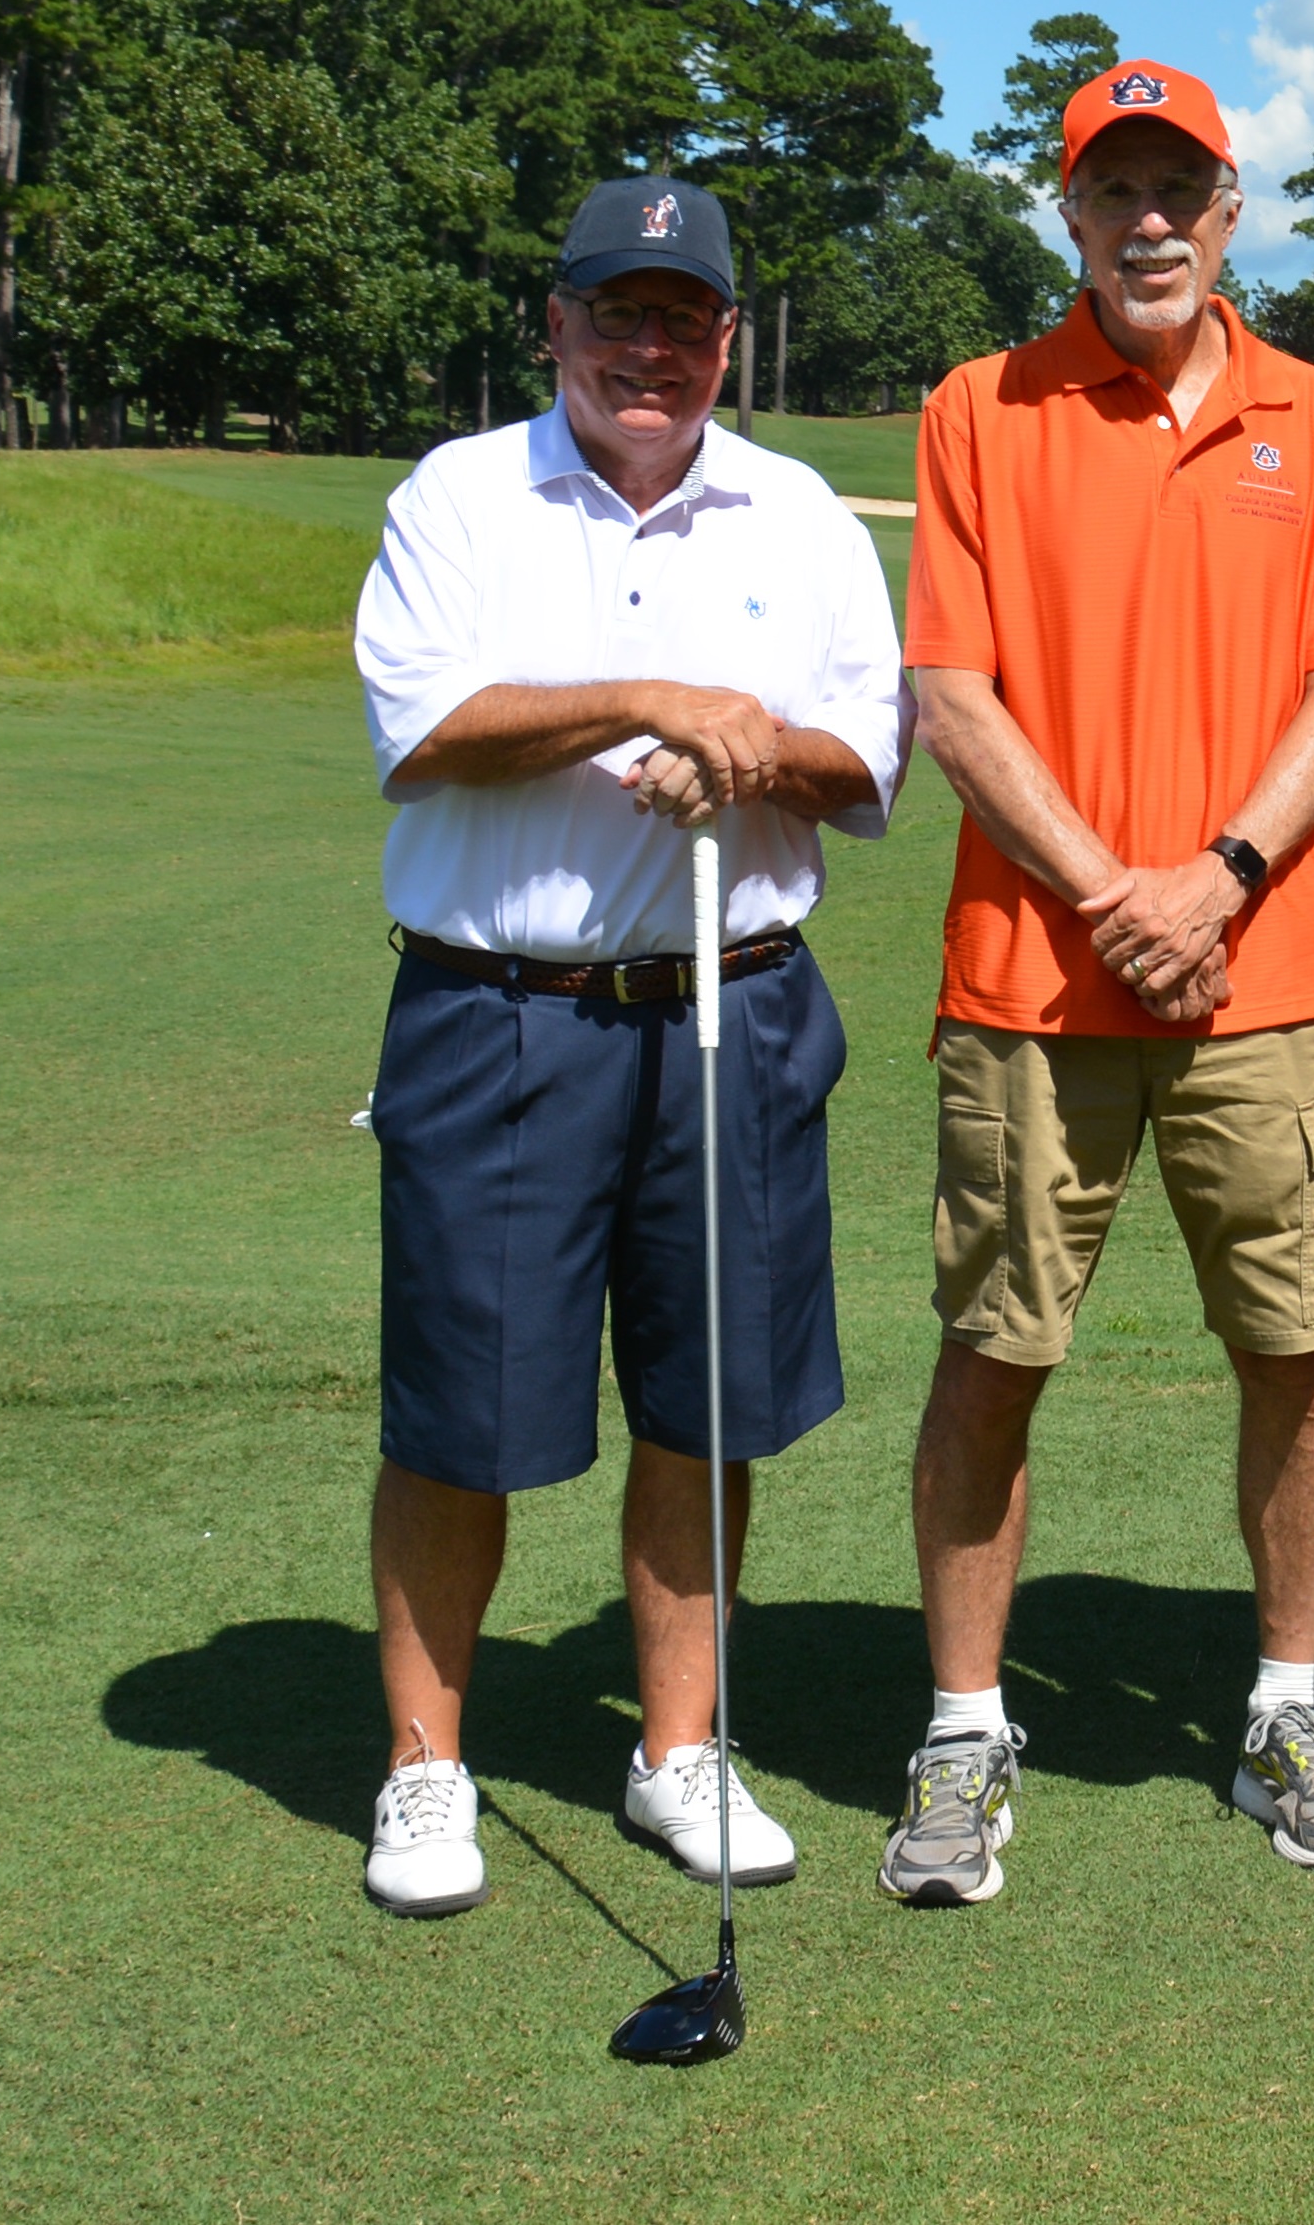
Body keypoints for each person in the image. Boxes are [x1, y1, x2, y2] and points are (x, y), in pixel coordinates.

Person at [350, 174, 904, 1918]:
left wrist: (753, 755)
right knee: (462, 1414)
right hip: (500, 1012)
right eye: (616, 310)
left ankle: (678, 1747)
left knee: (707, 1401)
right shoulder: (461, 495)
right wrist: (655, 699)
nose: (647, 346)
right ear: (557, 324)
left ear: (727, 336)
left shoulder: (799, 512)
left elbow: (865, 763)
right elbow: (426, 726)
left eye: (682, 315)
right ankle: (426, 1769)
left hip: (732, 1005)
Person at [884, 58, 1314, 1908]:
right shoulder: (980, 408)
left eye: (1182, 185)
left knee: (1295, 1347)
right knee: (995, 1351)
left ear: (1232, 207)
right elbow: (954, 692)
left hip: (1266, 970)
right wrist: (1114, 891)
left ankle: (1285, 1704)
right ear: (1071, 211)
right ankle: (959, 1729)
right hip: (1036, 975)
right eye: (1116, 189)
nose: (1152, 219)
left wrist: (1221, 874)